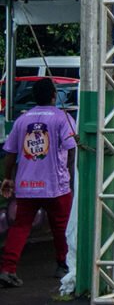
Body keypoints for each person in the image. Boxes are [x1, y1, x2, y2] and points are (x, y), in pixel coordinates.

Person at [1, 78, 77, 288]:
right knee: (62, 227)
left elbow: (10, 153)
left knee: (20, 226)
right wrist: (70, 176)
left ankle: (8, 269)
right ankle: (63, 265)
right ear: (54, 96)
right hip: (56, 185)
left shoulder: (22, 120)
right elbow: (71, 150)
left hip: (26, 185)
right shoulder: (63, 118)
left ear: (34, 97)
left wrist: (8, 178)